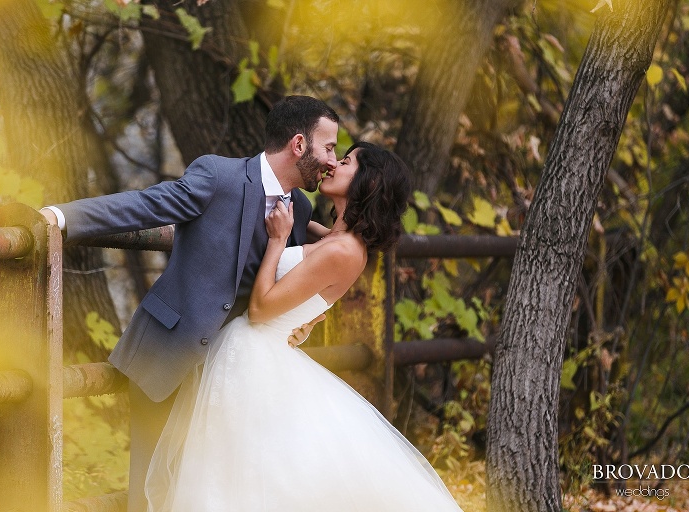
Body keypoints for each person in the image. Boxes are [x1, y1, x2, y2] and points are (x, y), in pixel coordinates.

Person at [40, 95, 340, 512]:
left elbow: (293, 276)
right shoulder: (219, 176)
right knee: (148, 490)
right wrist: (61, 217)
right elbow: (147, 205)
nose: (333, 160)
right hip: (169, 349)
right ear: (299, 144)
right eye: (329, 147)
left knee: (204, 490)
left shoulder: (300, 206)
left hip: (230, 374)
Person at [144, 142, 464, 511]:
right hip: (252, 356)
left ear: (368, 183)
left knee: (234, 481)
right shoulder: (334, 238)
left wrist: (279, 241)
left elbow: (262, 309)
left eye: (345, 161)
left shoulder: (344, 250)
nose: (333, 164)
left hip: (253, 357)